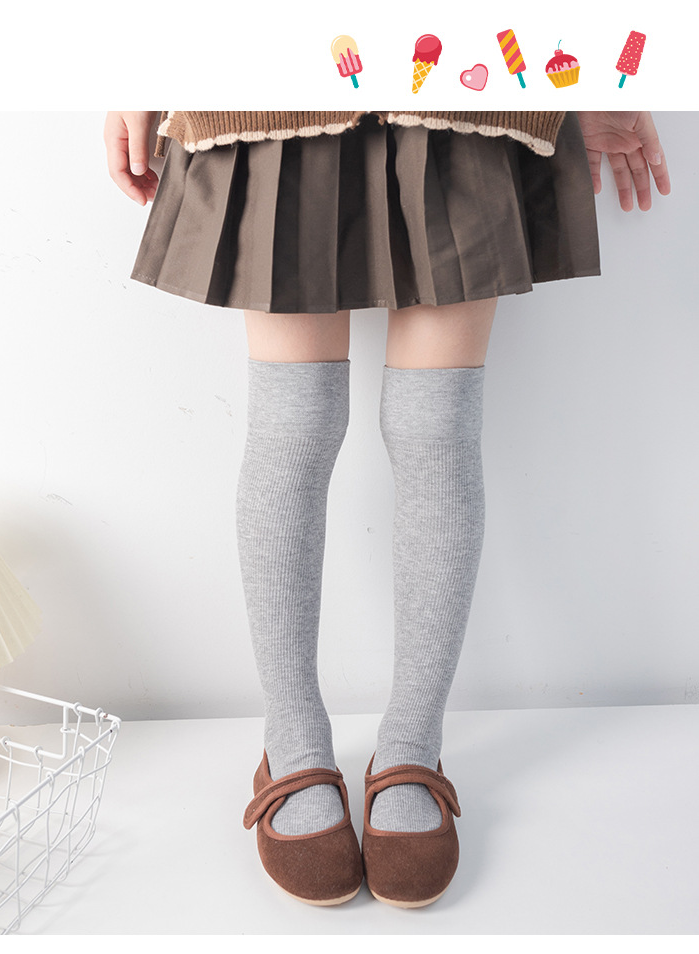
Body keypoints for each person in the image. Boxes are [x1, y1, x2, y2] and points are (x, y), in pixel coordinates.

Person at [104, 110, 670, 908]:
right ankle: (291, 739)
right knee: (295, 426)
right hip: (279, 83)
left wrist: (595, 70)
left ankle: (413, 743)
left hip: (463, 85)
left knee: (435, 430)